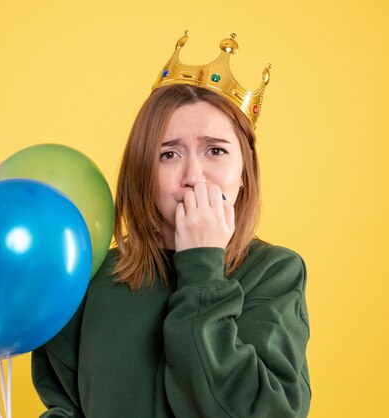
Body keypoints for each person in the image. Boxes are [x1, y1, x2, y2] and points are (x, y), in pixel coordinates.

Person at [32, 31, 311, 418]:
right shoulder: (92, 277)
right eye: (169, 154)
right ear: (143, 171)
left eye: (215, 150)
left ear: (244, 170)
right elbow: (65, 405)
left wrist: (202, 269)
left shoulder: (274, 274)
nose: (194, 176)